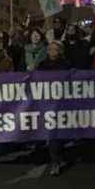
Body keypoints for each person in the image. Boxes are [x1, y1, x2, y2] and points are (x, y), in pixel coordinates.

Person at [37, 41, 70, 176]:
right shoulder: (42, 65)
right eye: (49, 49)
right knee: (52, 134)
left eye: (55, 49)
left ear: (59, 51)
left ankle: (59, 157)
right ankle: (55, 162)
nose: (52, 51)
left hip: (62, 103)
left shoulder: (66, 64)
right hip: (47, 104)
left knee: (59, 134)